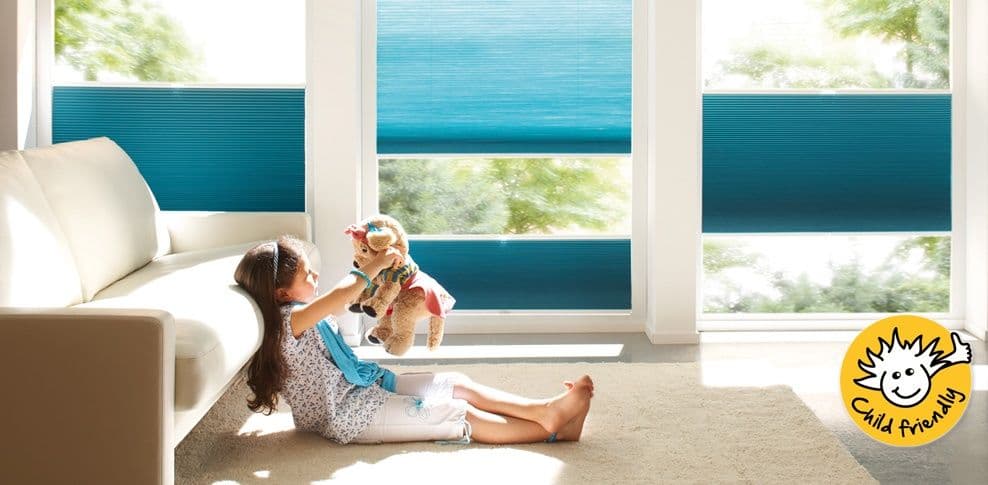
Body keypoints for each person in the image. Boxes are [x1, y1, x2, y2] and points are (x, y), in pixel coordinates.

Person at [233, 235, 593, 445]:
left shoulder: (299, 311)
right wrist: (373, 265)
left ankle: (545, 412)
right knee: (456, 412)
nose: (314, 275)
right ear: (281, 293)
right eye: (306, 275)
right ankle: (552, 431)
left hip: (365, 386)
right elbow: (342, 294)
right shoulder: (289, 323)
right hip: (347, 415)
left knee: (457, 384)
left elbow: (349, 301)